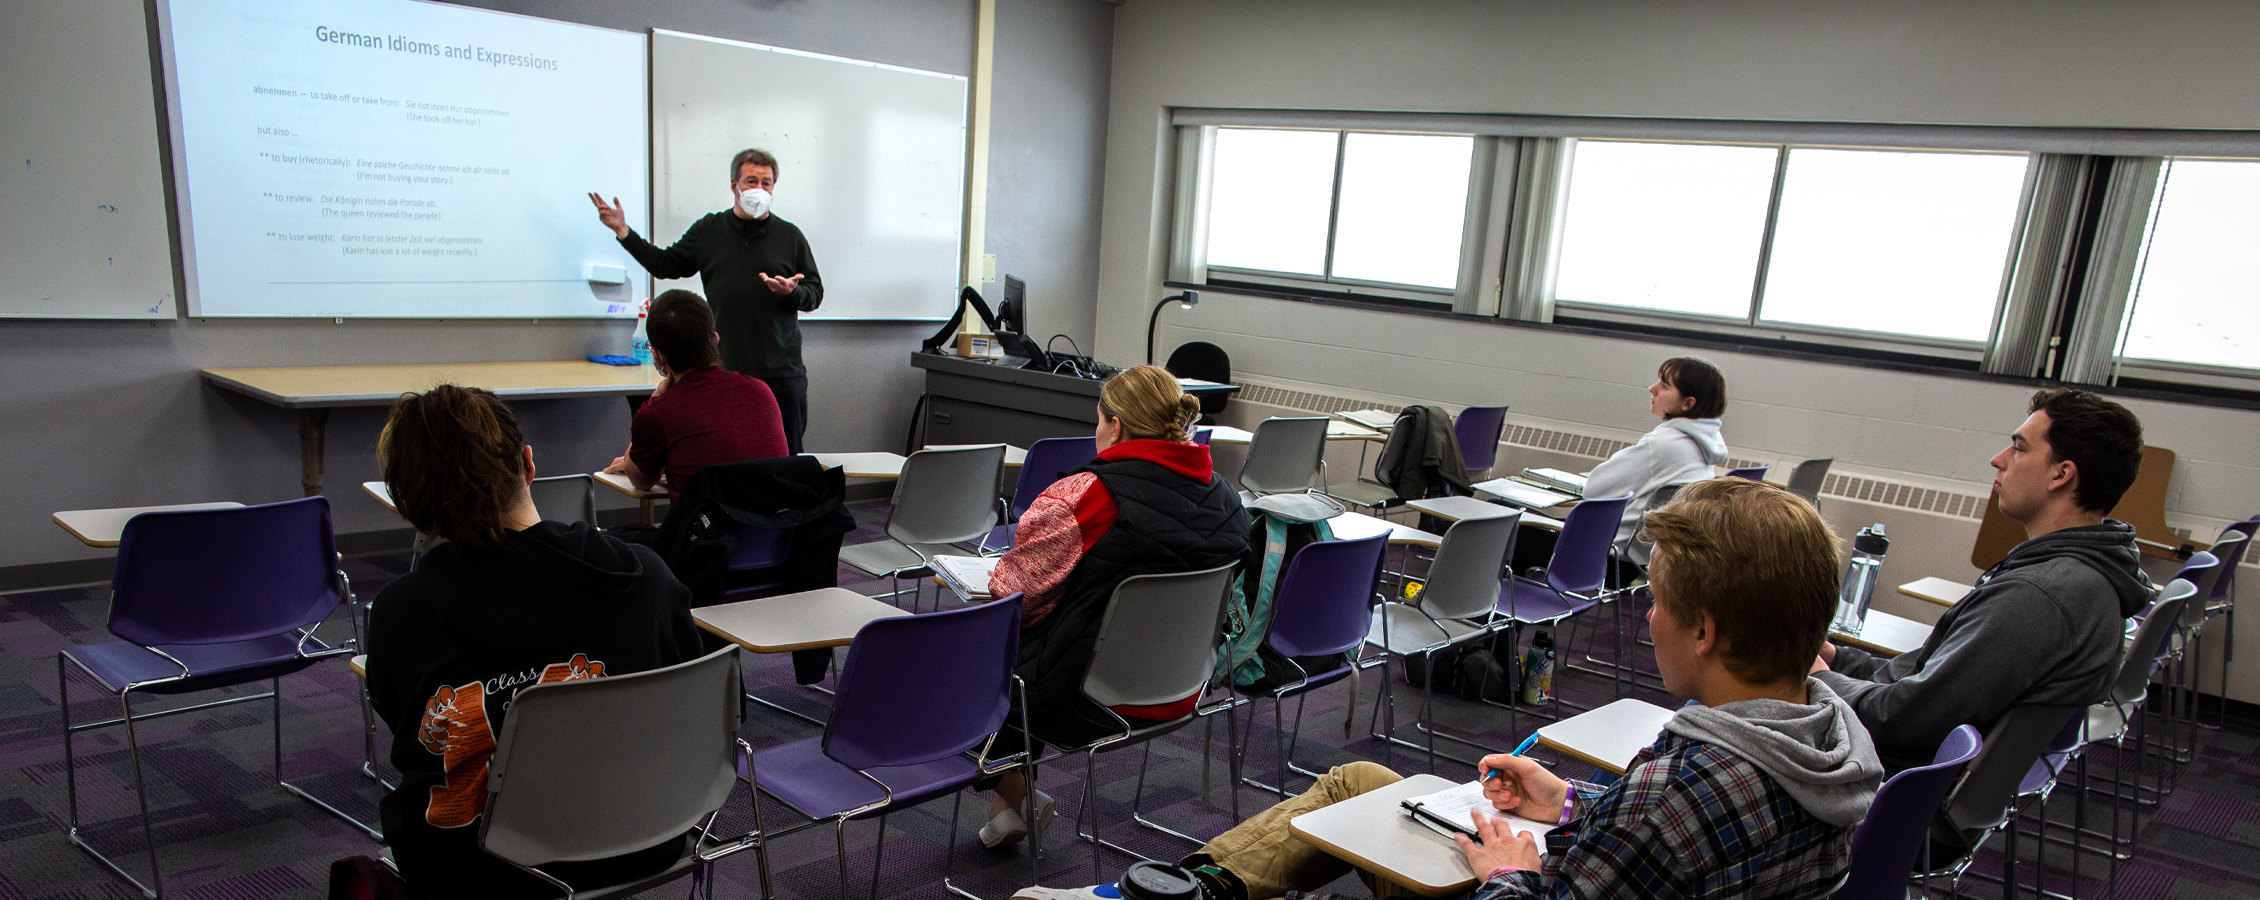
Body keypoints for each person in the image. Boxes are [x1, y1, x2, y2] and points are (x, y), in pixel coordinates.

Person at [1016, 477, 1882, 900]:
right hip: (1598, 860)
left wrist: (1506, 870)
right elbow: (1680, 856)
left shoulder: (1678, 793)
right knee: (1360, 783)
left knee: (1378, 806)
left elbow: (1662, 833)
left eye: (1658, 599)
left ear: (1707, 632)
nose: (1646, 614)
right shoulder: (1827, 737)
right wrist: (1572, 804)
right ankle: (1176, 893)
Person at [364, 385, 706, 899]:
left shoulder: (399, 615)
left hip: (477, 868)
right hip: (644, 837)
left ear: (410, 505)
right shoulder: (648, 578)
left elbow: (406, 728)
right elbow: (699, 707)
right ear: (528, 463)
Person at [975, 365, 1253, 849]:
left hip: (1088, 698)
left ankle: (1018, 794)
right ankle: (1009, 807)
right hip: (1184, 686)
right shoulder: (1229, 499)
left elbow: (1013, 597)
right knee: (1048, 646)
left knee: (972, 654)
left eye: (1098, 420)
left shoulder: (1086, 496)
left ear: (1116, 426)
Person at [1814, 388, 2152, 771]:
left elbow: (1903, 721)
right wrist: (1839, 660)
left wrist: (1817, 678)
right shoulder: (2075, 577)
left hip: (1881, 781)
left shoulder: (2038, 597)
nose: (1999, 459)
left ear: (2061, 474)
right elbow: (1928, 676)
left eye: (2020, 449)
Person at [591, 148, 822, 453]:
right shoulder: (709, 230)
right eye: (751, 180)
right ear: (734, 185)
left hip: (782, 371)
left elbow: (814, 294)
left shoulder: (790, 236)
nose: (760, 189)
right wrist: (623, 231)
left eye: (767, 183)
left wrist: (791, 292)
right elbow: (665, 264)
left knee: (786, 455)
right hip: (725, 369)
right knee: (729, 454)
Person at [1512, 357, 1727, 577]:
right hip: (1638, 561)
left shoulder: (1664, 445)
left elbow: (1594, 489)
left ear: (1687, 404)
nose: (1652, 389)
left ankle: (1502, 608)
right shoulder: (1704, 447)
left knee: (1508, 526)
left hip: (1603, 558)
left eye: (1664, 385)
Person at [601, 289, 789, 499]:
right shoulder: (761, 391)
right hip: (775, 529)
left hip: (708, 530)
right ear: (715, 340)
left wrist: (656, 398)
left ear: (658, 356)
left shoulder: (660, 411)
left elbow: (641, 481)